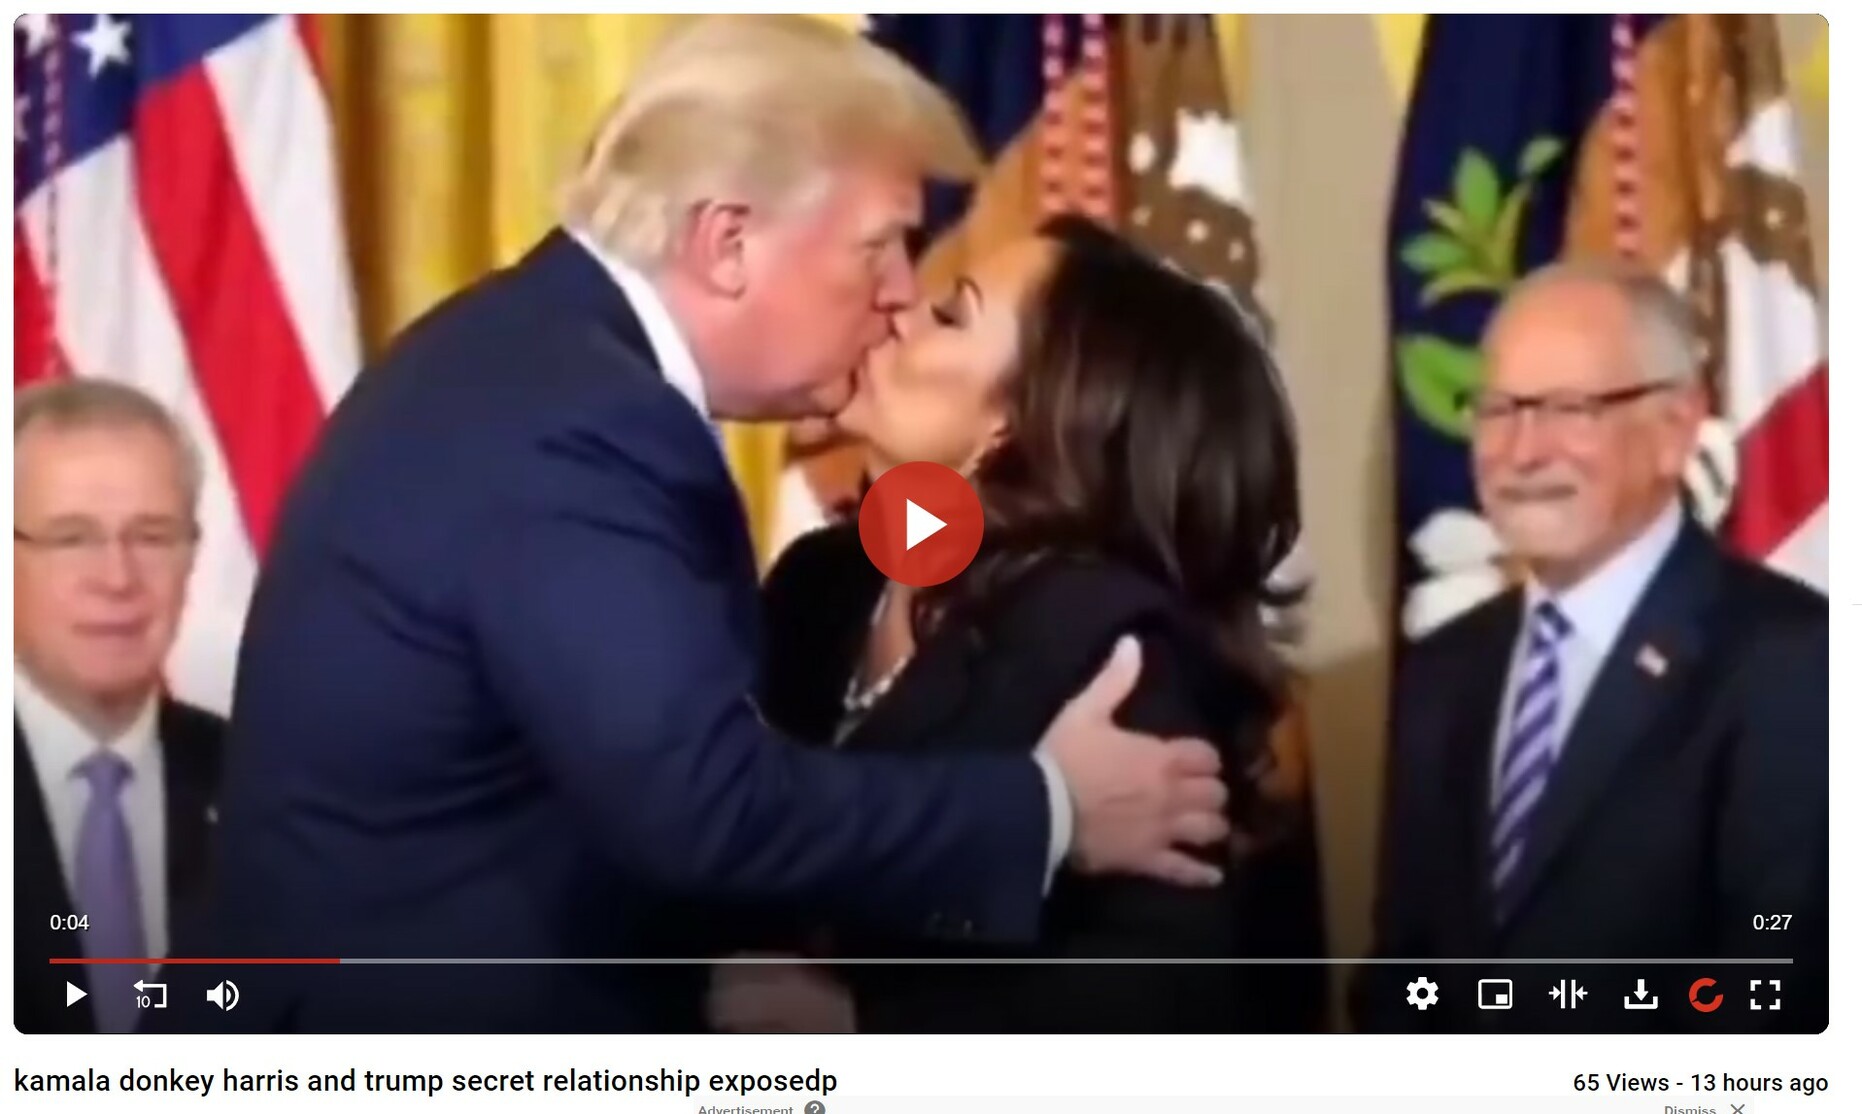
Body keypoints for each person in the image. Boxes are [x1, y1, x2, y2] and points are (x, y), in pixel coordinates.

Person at [208, 15, 1229, 1034]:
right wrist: (1046, 812)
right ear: (728, 242)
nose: (898, 296)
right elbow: (704, 809)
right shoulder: (591, 424)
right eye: (880, 247)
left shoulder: (542, 363)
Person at [714, 215, 1327, 1033]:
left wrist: (868, 1027)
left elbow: (1163, 1006)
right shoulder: (817, 584)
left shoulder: (1105, 643)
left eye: (949, 314)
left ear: (1021, 422)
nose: (896, 307)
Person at [1358, 262, 1827, 1031]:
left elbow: (1776, 989)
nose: (1522, 451)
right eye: (1497, 409)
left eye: (1569, 409)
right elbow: (1403, 975)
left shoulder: (1793, 660)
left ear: (1675, 429)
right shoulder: (1445, 671)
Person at [13, 380, 226, 1034]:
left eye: (153, 537)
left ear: (192, 556)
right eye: (71, 538)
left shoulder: (262, 784)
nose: (117, 579)